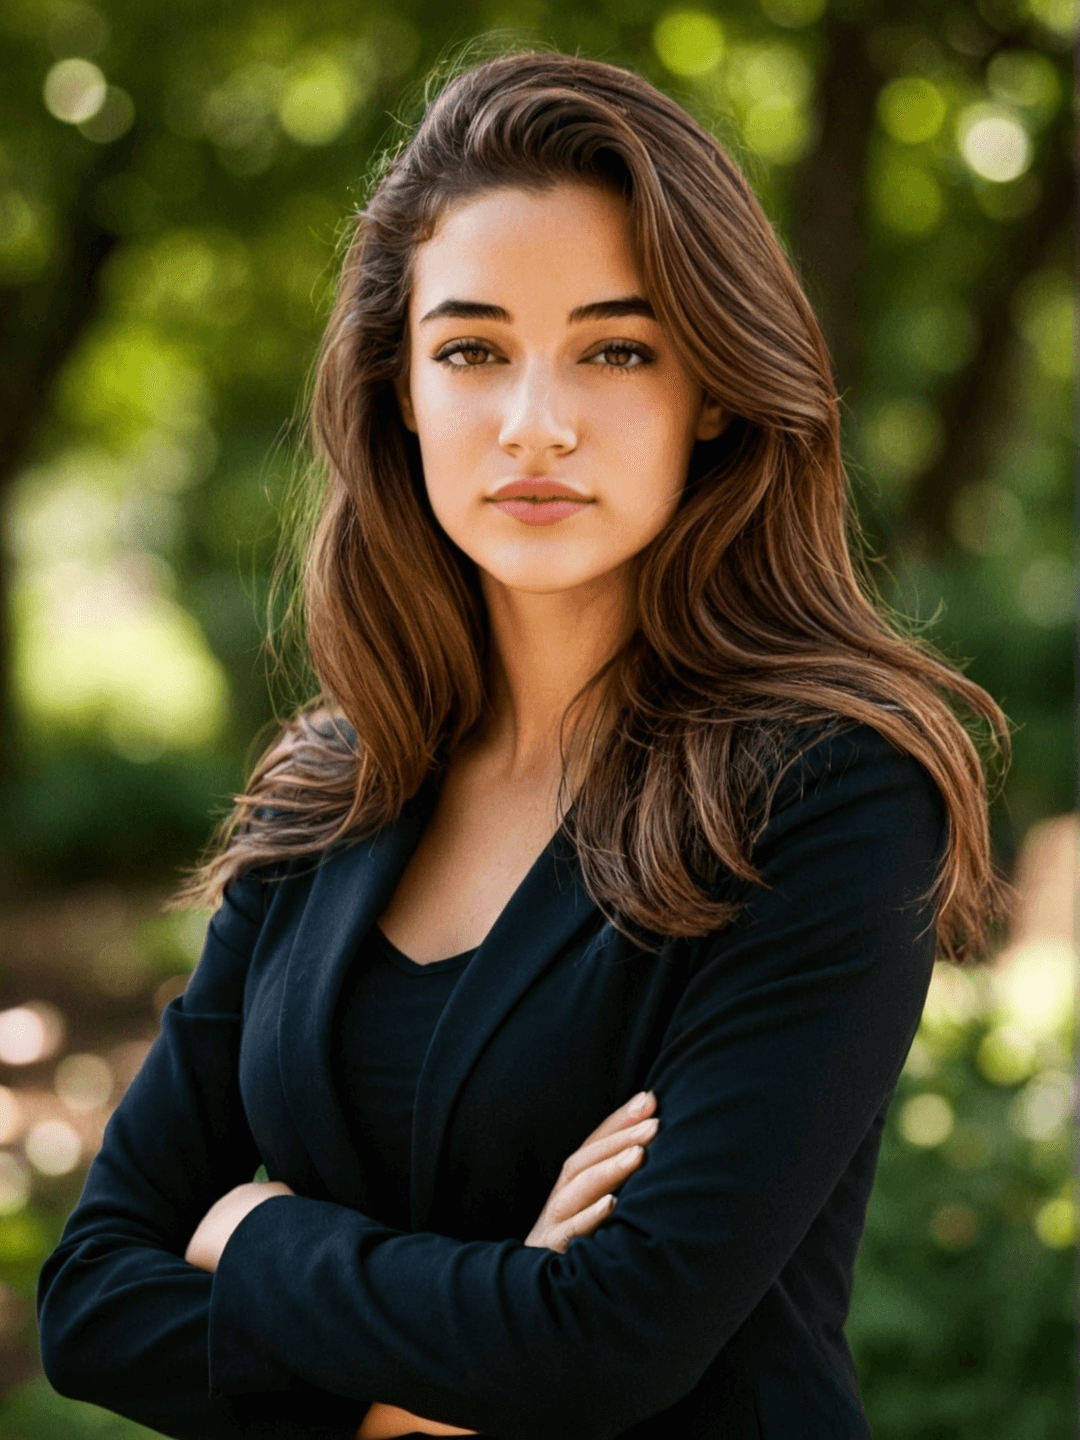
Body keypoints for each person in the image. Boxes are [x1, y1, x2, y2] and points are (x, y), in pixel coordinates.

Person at [36, 49, 1009, 1440]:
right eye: (472, 351)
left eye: (616, 348)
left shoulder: (831, 792)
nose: (533, 424)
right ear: (401, 389)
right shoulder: (333, 789)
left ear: (714, 390)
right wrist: (425, 1392)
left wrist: (253, 1233)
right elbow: (90, 1300)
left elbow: (607, 1346)